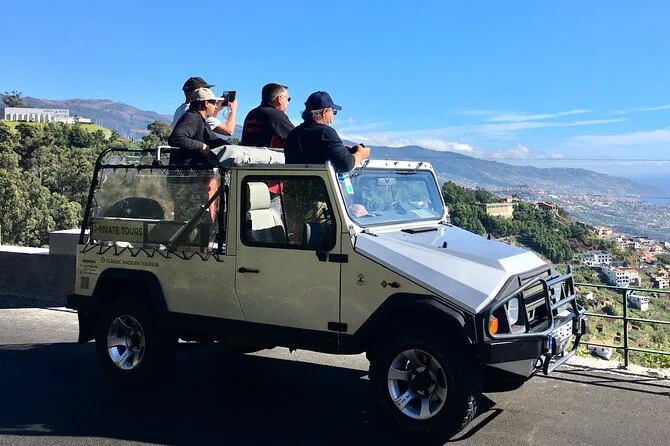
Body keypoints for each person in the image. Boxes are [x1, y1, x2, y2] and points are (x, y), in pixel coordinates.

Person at [284, 91, 370, 172]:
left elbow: (313, 154)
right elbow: (346, 164)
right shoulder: (326, 133)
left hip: (295, 183)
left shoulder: (293, 134)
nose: (334, 115)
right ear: (324, 112)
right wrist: (361, 154)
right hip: (318, 182)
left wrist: (340, 150)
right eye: (333, 111)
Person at [172, 76, 238, 140]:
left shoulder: (180, 110)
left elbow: (207, 124)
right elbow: (228, 131)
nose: (208, 91)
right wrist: (233, 109)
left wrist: (216, 108)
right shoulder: (196, 112)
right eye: (205, 89)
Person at [241, 83, 295, 148]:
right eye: (288, 99)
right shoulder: (276, 115)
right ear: (280, 99)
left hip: (248, 153)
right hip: (265, 154)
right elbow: (298, 137)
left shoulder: (251, 113)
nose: (288, 102)